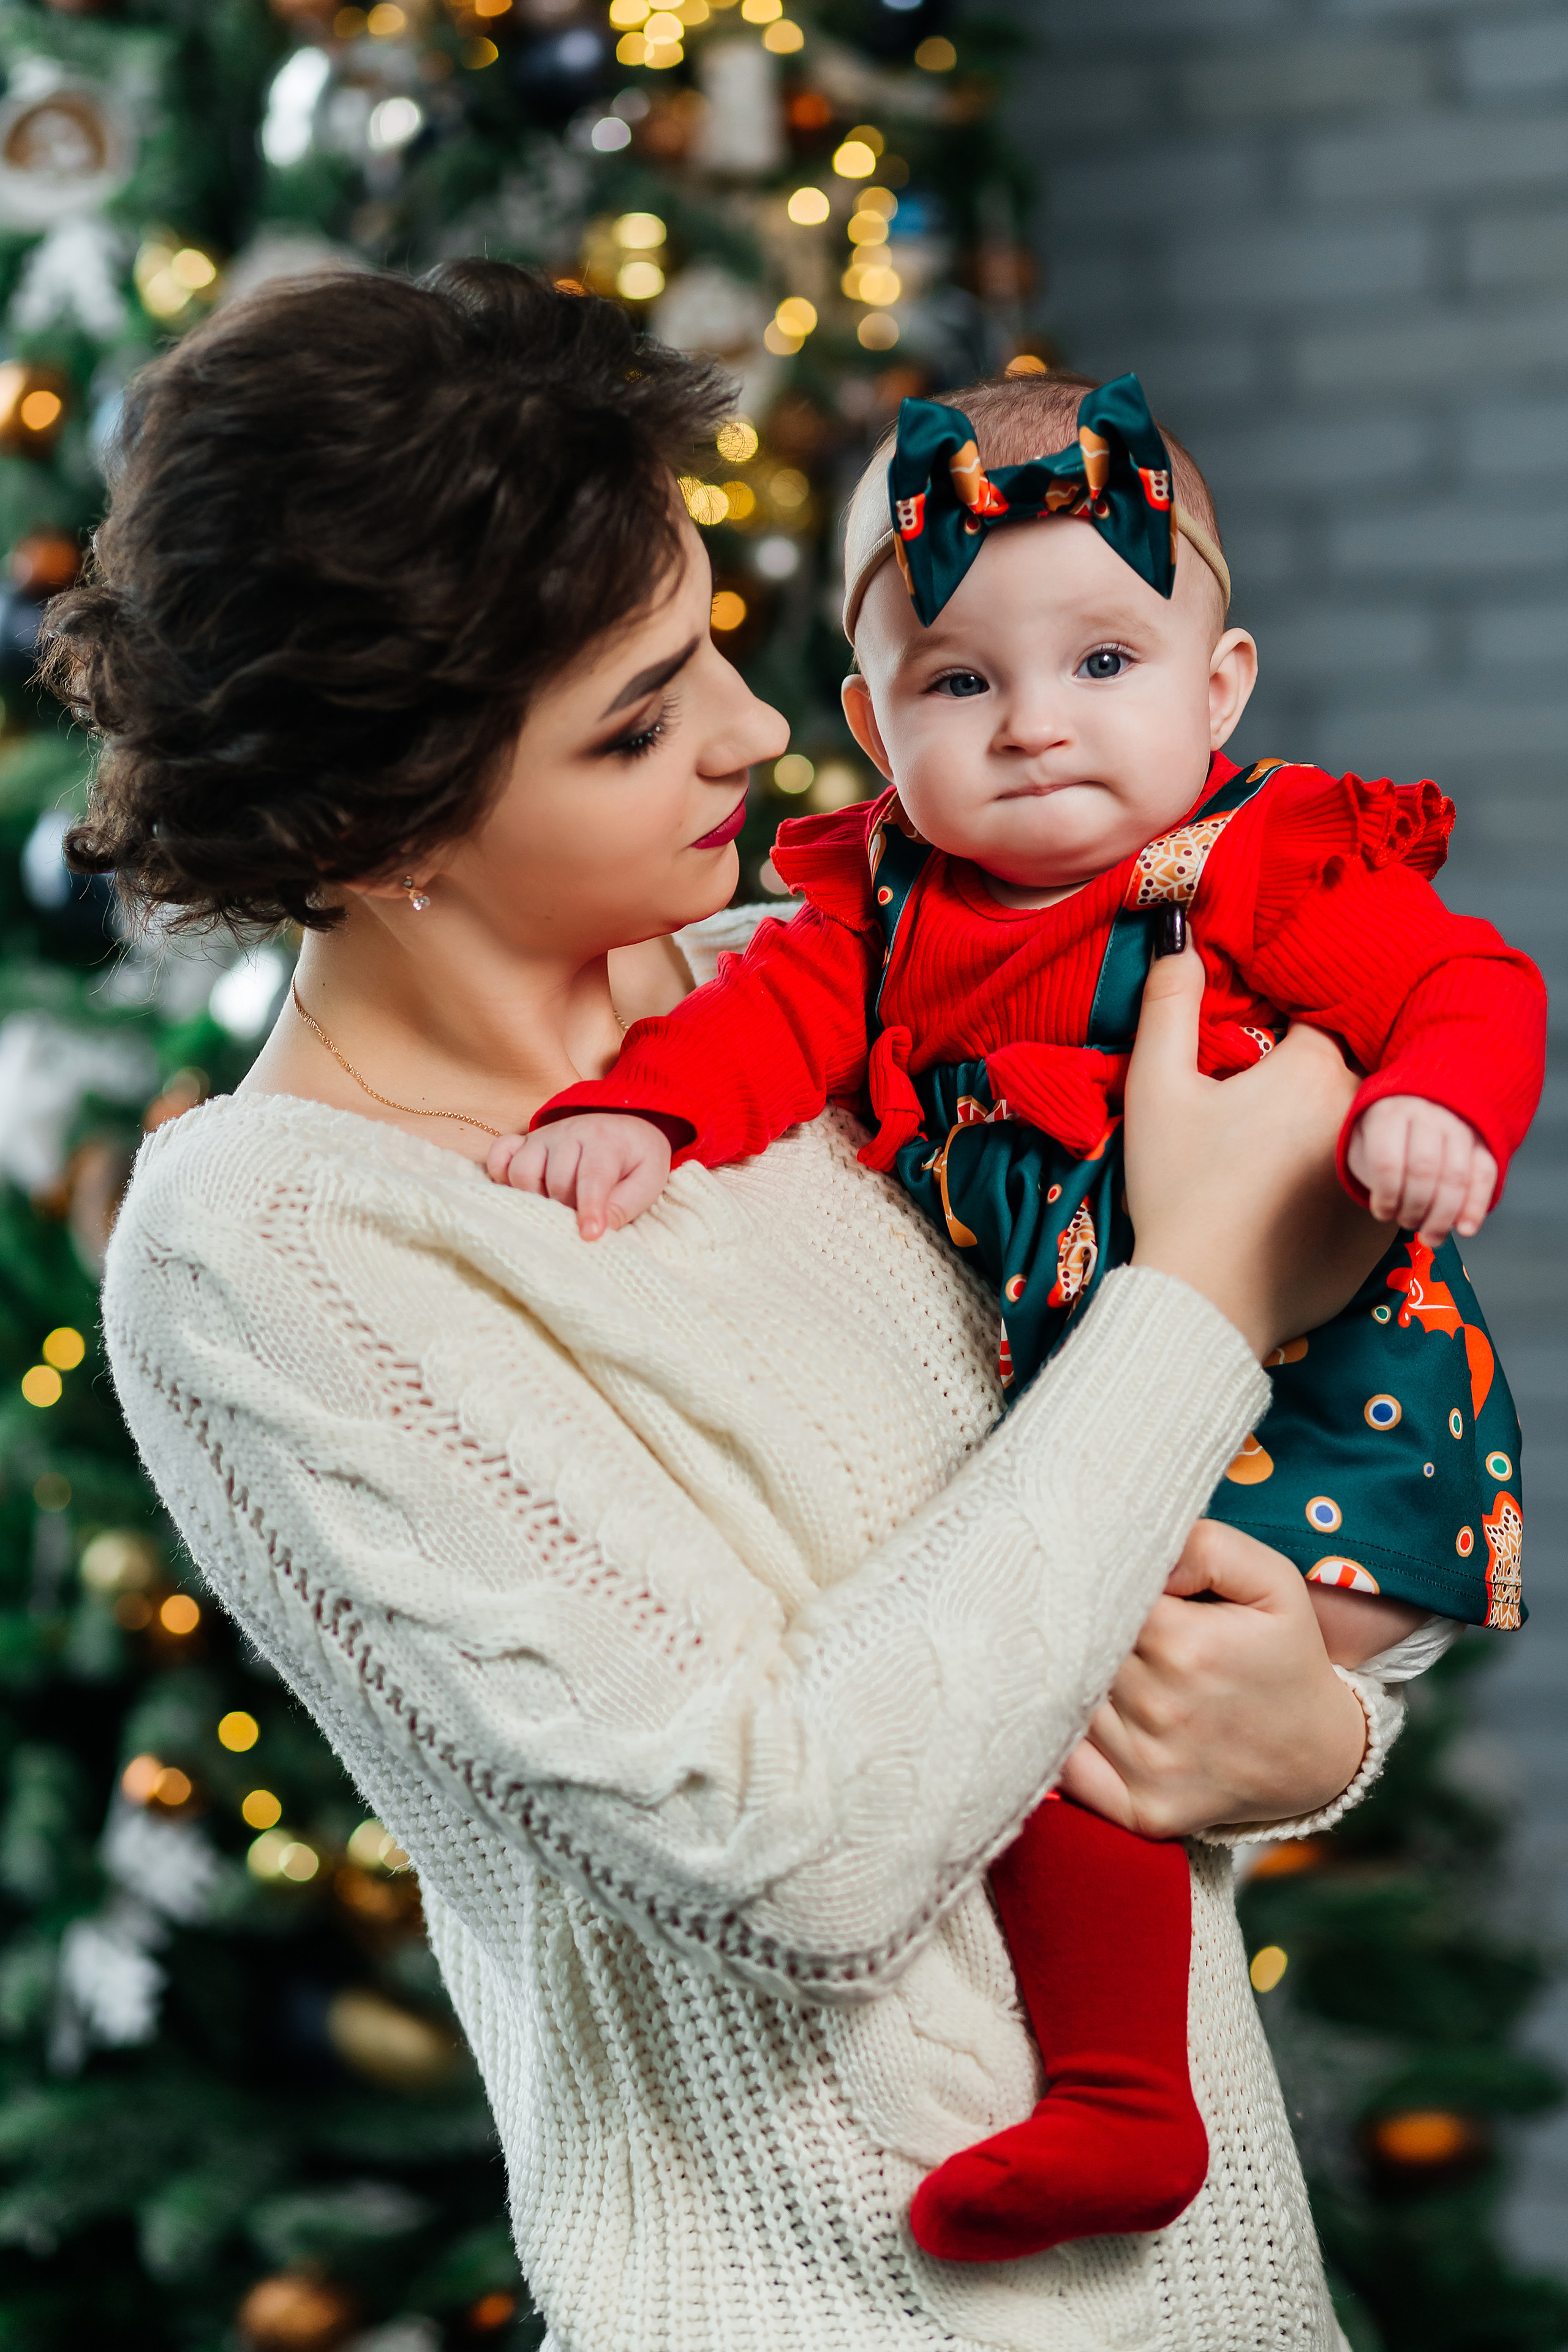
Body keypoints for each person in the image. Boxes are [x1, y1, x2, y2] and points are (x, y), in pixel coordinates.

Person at [54, 263, 1404, 2352]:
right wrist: (1202, 1289)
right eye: (637, 718)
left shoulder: (810, 981)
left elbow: (1131, 1535)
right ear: (378, 824)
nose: (762, 732)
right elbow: (791, 1846)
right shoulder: (273, 1250)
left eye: (709, 641)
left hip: (1225, 2297)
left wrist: (1311, 1729)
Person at [497, 372, 1545, 2263]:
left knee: (1079, 1683)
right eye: (961, 682)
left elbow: (1463, 981)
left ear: (1219, 690)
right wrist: (637, 1110)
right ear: (869, 720)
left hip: (1328, 1413)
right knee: (1054, 1664)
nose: (1038, 724)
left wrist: (1430, 1108)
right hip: (1123, 1399)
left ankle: (1127, 2098)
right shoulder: (874, 907)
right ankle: (1128, 2097)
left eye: (1105, 662)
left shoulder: (1258, 868)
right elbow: (759, 1029)